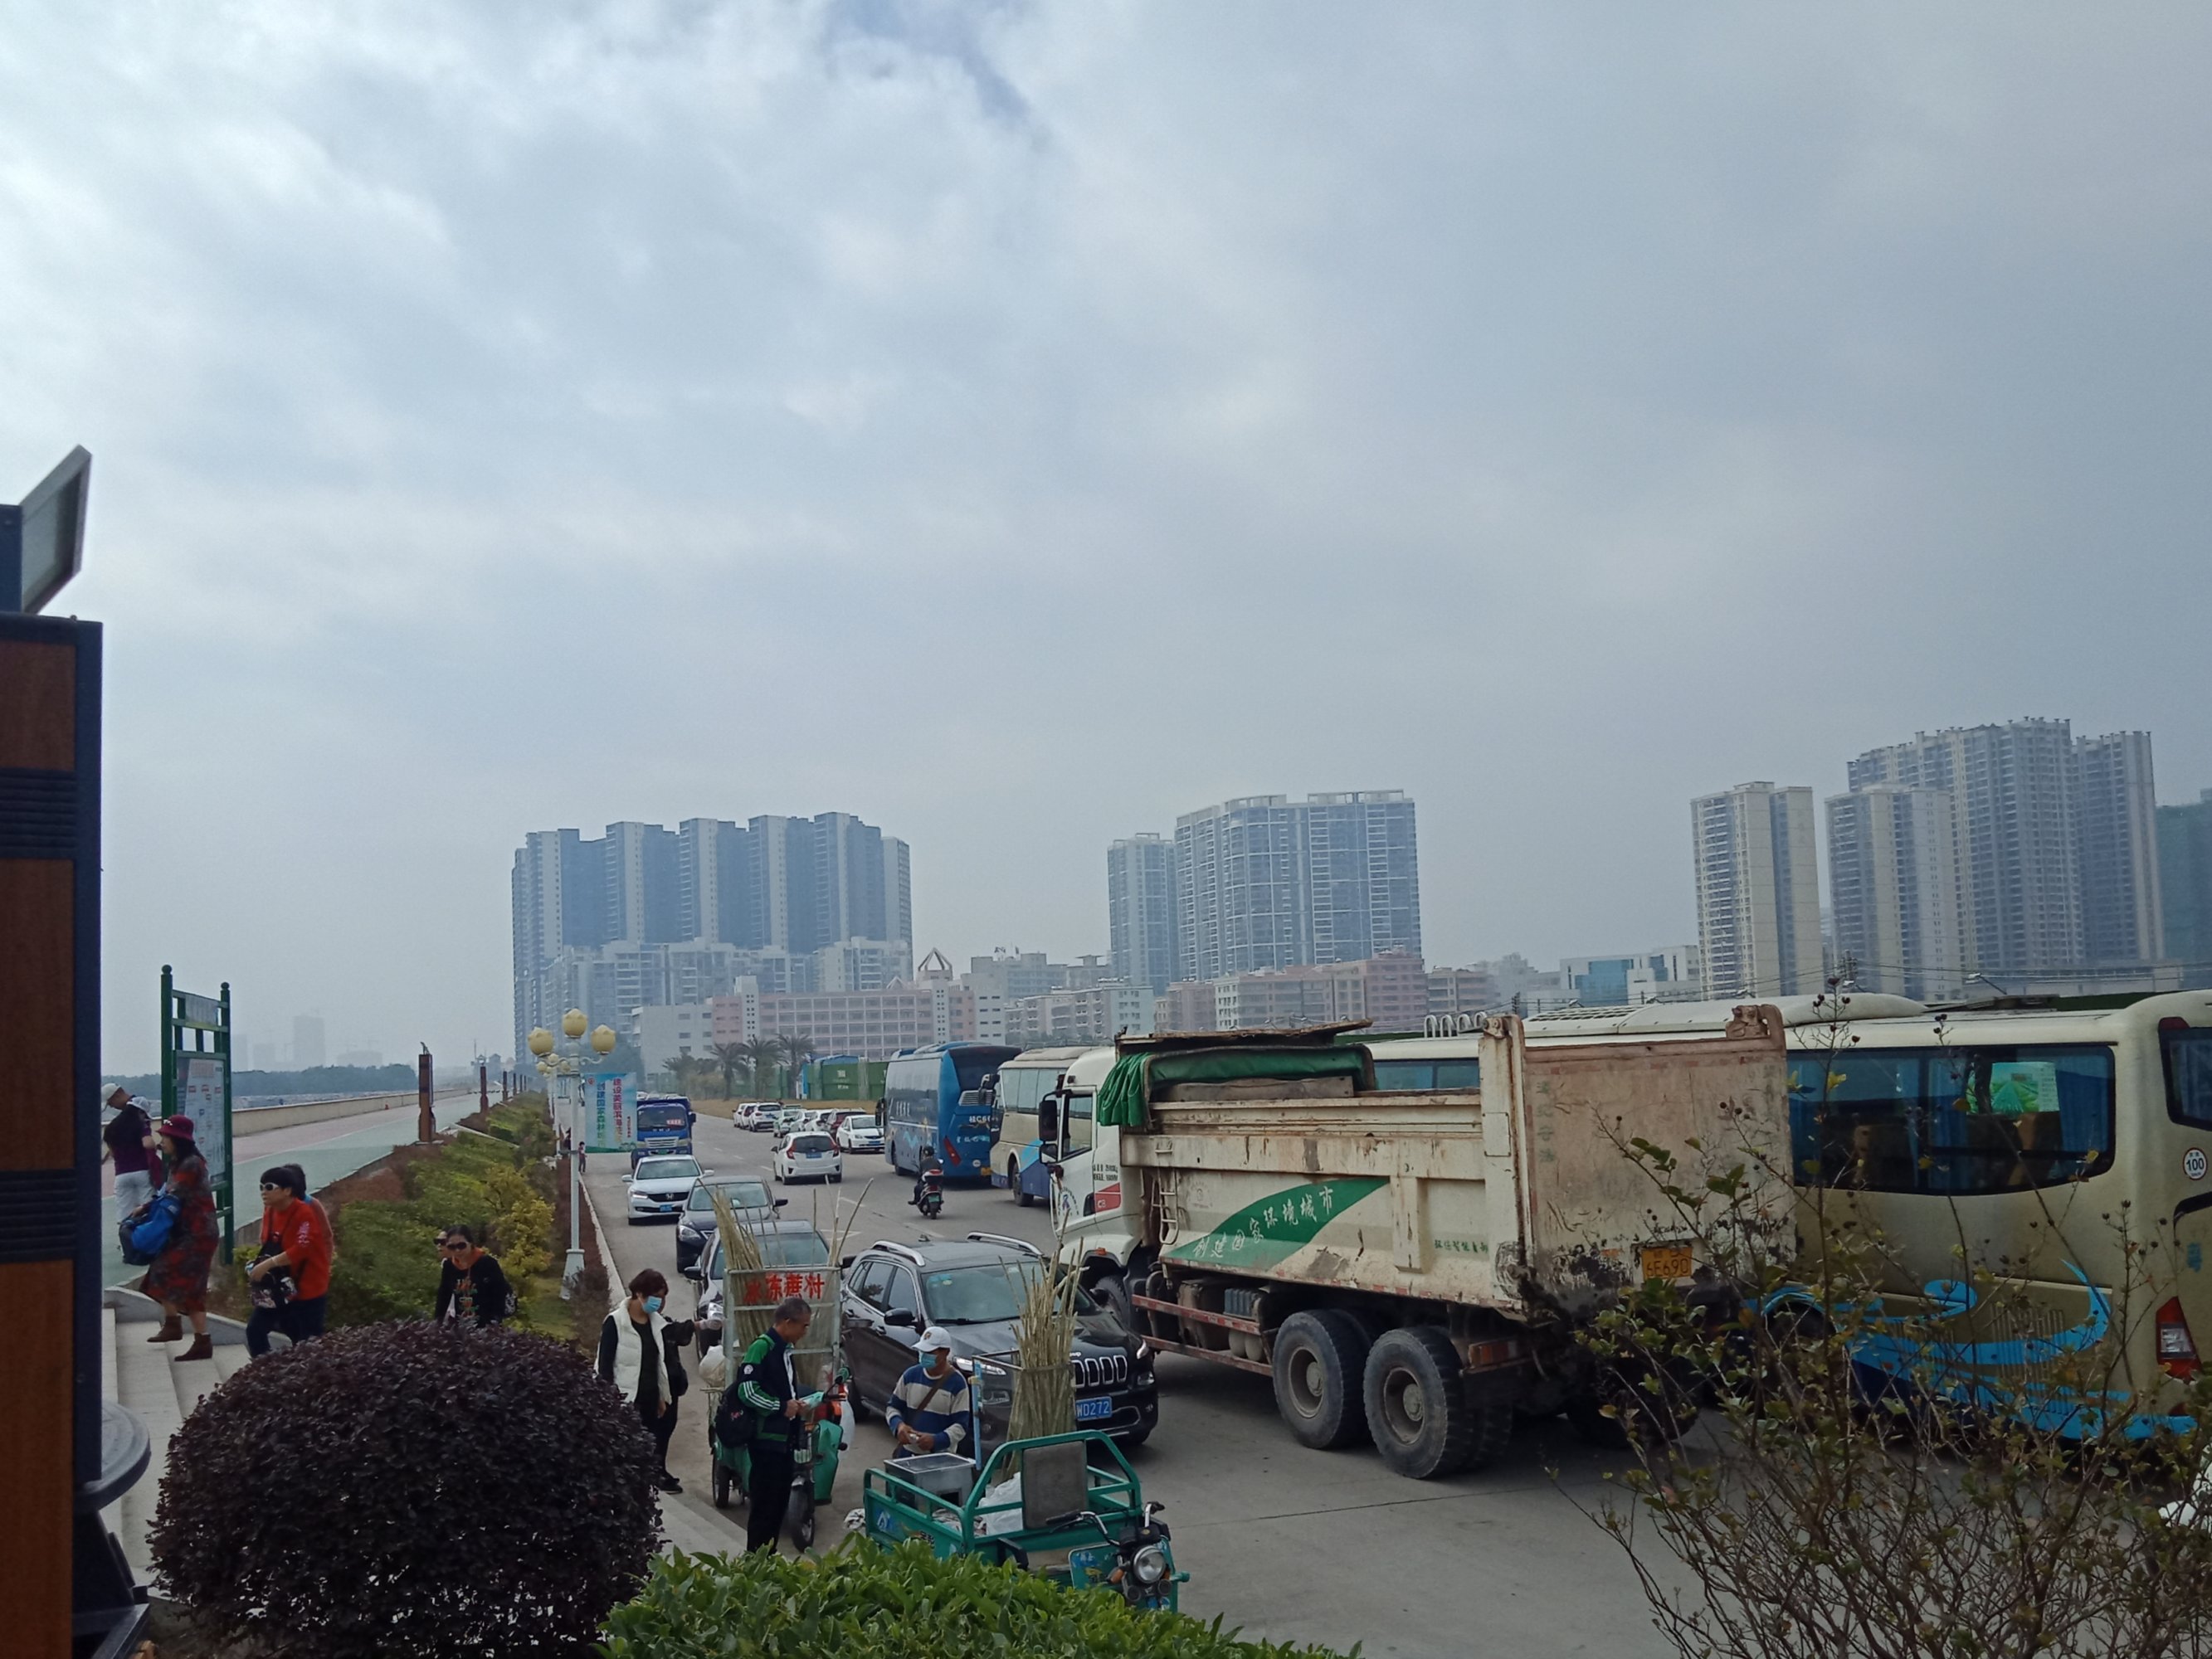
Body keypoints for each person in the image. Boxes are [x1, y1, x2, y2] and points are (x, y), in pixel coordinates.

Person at [597, 1269, 694, 1493]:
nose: (659, 1303)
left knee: (651, 1447)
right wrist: (610, 1401)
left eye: (663, 1297)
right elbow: (605, 1367)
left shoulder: (656, 1324)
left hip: (651, 1399)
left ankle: (649, 1487)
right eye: (655, 1297)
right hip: (626, 1400)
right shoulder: (615, 1322)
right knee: (628, 1451)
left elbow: (658, 1363)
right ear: (639, 1294)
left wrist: (661, 1395)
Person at [733, 1296, 813, 1552]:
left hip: (785, 1442)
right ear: (787, 1322)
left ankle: (768, 1558)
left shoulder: (785, 1351)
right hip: (766, 1443)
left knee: (778, 1507)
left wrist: (796, 1405)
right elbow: (747, 1391)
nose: (805, 1331)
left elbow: (784, 1390)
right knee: (764, 1510)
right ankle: (755, 1561)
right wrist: (781, 1407)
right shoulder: (762, 1347)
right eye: (803, 1325)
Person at [139, 1116, 220, 1363]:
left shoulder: (191, 1164)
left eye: (166, 1137)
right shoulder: (178, 1163)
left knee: (172, 1274)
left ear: (178, 1140)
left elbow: (173, 1195)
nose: (162, 1141)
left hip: (198, 1234)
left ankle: (180, 1328)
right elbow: (166, 1192)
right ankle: (193, 1335)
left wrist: (145, 1209)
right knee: (172, 1277)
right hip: (184, 1231)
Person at [245, 1165, 333, 1356]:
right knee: (255, 1330)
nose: (263, 1192)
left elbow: (302, 1248)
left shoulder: (305, 1213)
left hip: (308, 1286)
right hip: (279, 1287)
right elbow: (268, 1241)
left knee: (308, 1342)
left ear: (287, 1190)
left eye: (269, 1187)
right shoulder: (270, 1211)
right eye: (261, 1187)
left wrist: (269, 1264)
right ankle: (264, 1369)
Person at [885, 1326, 974, 1462]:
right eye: (922, 1351)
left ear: (945, 1353)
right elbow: (893, 1407)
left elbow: (961, 1426)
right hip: (908, 1455)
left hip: (941, 1458)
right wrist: (899, 1426)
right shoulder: (910, 1376)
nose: (924, 1355)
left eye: (929, 1352)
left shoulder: (957, 1384)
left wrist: (936, 1440)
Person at [433, 1225, 514, 1326]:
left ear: (471, 1243)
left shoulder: (487, 1263)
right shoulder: (449, 1265)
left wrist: (494, 1322)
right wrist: (437, 1323)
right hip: (461, 1324)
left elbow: (499, 1295)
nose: (457, 1250)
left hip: (486, 1324)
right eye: (452, 1247)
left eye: (461, 1246)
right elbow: (444, 1295)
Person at [101, 1087, 159, 1218]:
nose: (113, 1107)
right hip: (142, 1170)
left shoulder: (112, 1127)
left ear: (116, 1095)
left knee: (125, 1217)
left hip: (121, 1174)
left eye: (111, 1103)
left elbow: (113, 1153)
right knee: (148, 1213)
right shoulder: (140, 1118)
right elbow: (147, 1143)